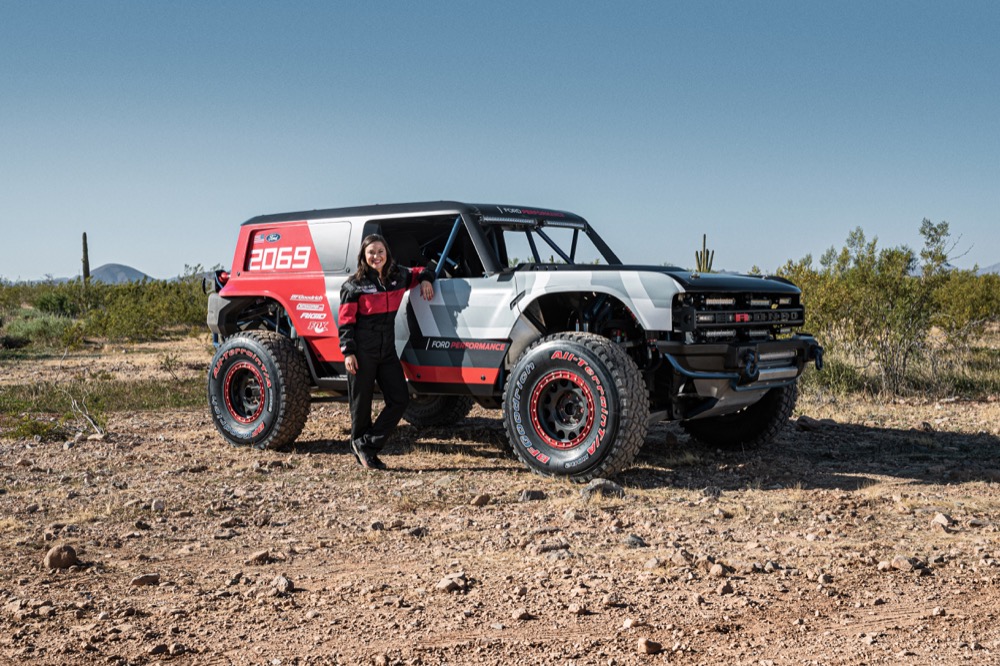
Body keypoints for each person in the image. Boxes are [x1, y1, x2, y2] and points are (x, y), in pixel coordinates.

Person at [337, 234, 435, 469]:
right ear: (364, 256)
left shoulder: (398, 276)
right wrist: (348, 352)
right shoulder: (354, 285)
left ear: (387, 253)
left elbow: (423, 269)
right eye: (371, 252)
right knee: (361, 406)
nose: (376, 256)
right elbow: (345, 321)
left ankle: (367, 445)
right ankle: (363, 449)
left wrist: (426, 280)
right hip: (362, 352)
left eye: (380, 251)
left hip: (387, 351)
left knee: (400, 399)